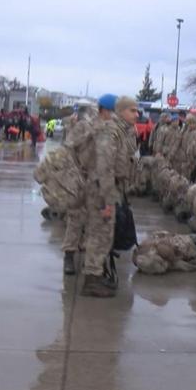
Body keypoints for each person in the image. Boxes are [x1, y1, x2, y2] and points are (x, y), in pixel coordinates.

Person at [79, 94, 133, 297]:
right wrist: (108, 199)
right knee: (99, 235)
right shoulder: (109, 130)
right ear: (118, 111)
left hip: (105, 188)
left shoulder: (116, 130)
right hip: (101, 190)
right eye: (132, 110)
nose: (137, 114)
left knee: (104, 234)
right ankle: (91, 280)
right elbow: (105, 166)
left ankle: (96, 274)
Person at [61, 101, 97, 276]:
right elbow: (68, 149)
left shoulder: (104, 130)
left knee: (92, 219)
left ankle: (84, 249)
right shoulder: (83, 128)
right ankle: (69, 255)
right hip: (79, 178)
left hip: (95, 180)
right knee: (75, 218)